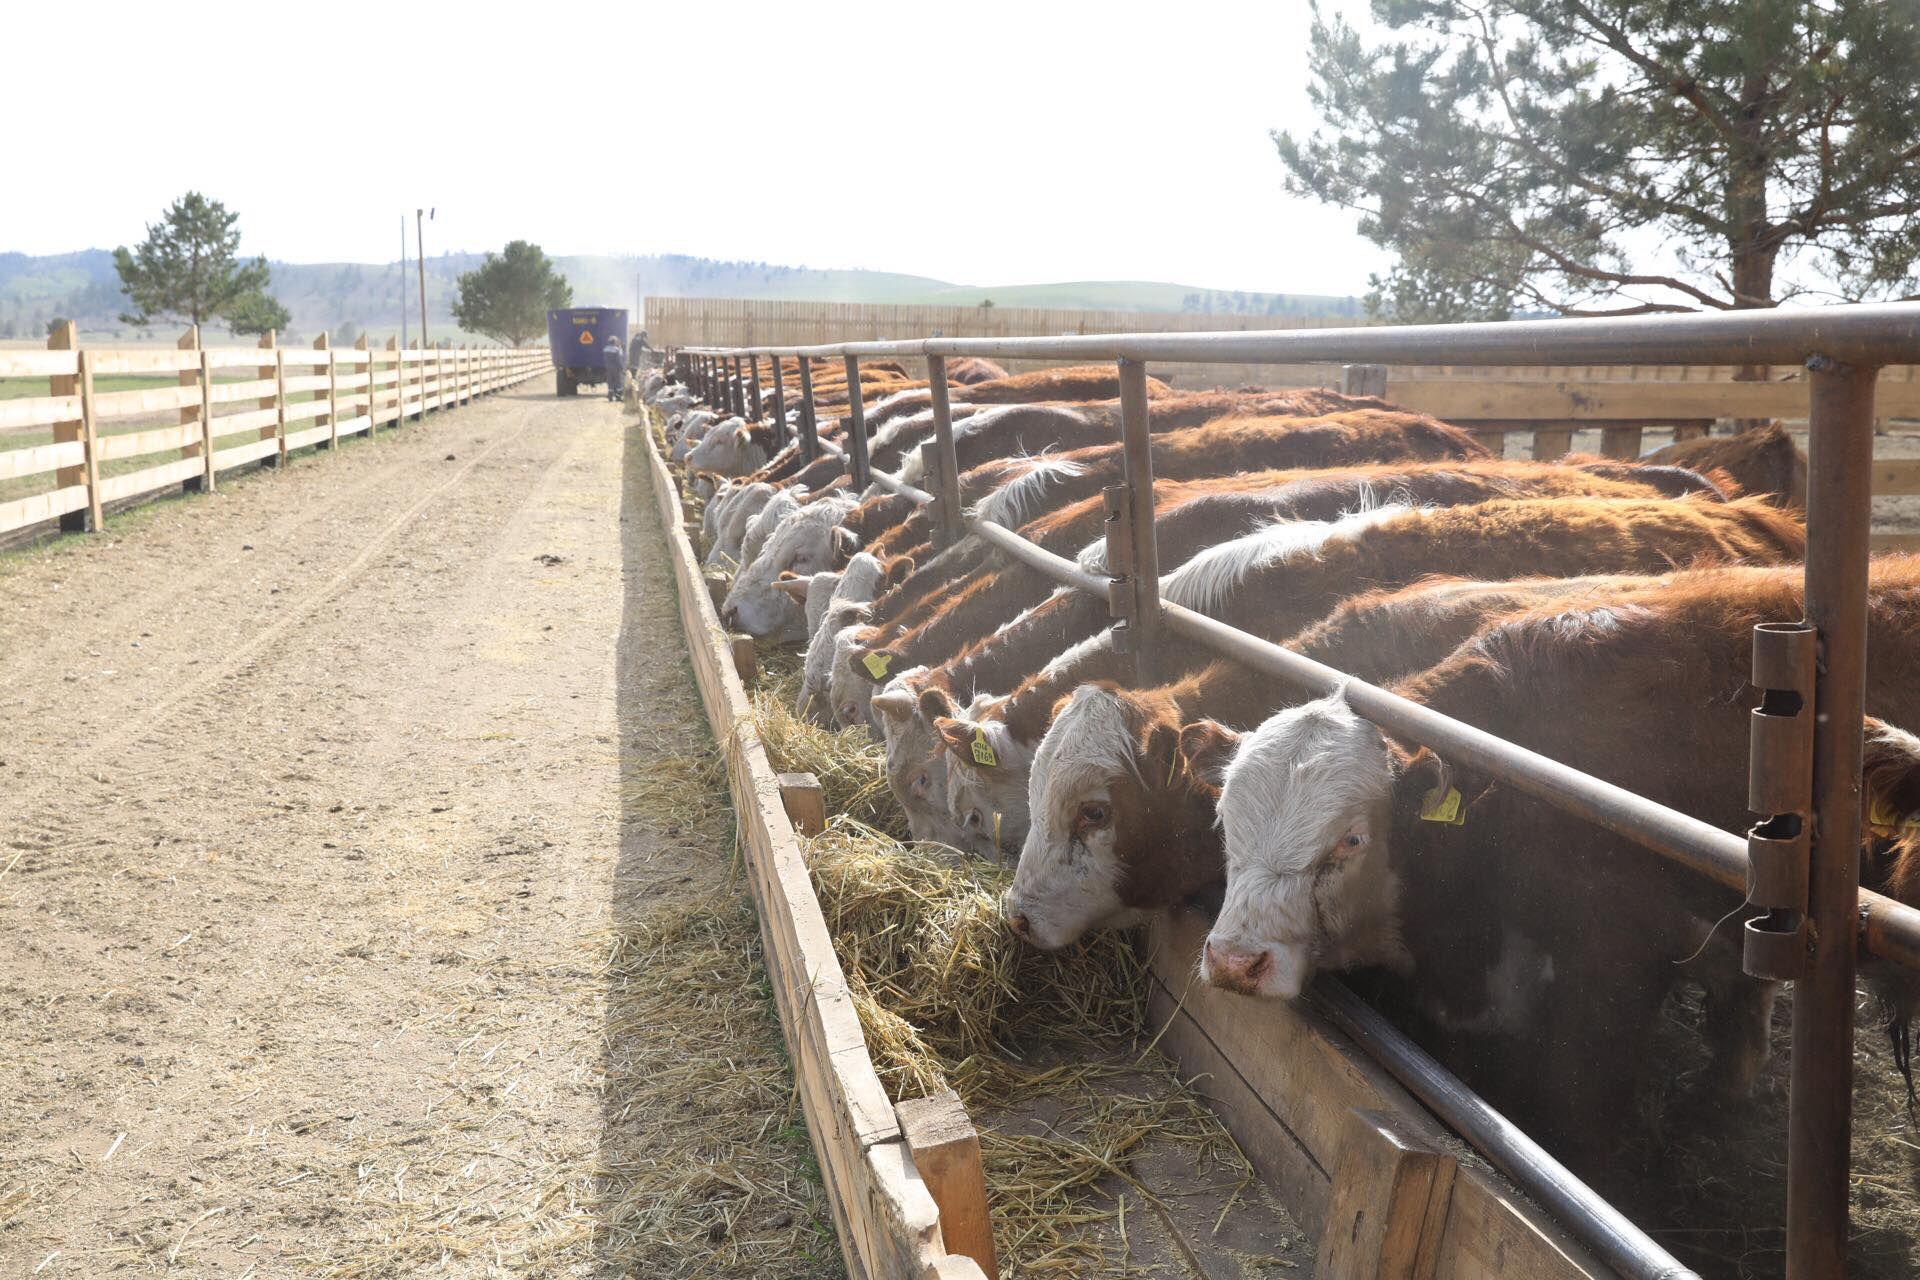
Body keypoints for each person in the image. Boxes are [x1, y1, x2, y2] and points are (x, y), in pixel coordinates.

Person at [602, 336, 626, 402]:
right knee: (618, 382)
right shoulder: (616, 350)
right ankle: (618, 397)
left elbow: (605, 359)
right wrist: (622, 369)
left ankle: (610, 397)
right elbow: (618, 360)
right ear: (614, 342)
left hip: (608, 368)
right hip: (616, 368)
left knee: (610, 382)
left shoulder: (605, 349)